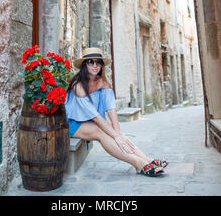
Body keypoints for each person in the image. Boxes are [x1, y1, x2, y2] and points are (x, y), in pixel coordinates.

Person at [65, 47, 168, 177]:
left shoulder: (102, 82)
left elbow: (111, 110)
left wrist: (118, 133)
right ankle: (139, 164)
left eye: (98, 62)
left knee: (116, 133)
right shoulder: (77, 85)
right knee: (101, 132)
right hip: (72, 123)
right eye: (91, 62)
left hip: (90, 121)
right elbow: (96, 117)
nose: (95, 65)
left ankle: (148, 160)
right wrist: (116, 136)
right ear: (85, 65)